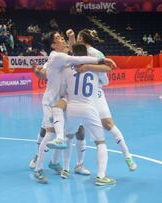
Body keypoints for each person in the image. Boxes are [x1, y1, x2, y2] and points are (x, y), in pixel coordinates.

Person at [33, 31, 115, 183]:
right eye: (58, 38)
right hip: (51, 101)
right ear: (53, 45)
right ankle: (38, 168)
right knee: (50, 133)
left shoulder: (63, 57)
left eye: (61, 36)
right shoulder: (57, 56)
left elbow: (74, 53)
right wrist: (103, 59)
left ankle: (56, 162)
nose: (61, 38)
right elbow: (77, 58)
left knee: (66, 134)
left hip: (63, 99)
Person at [75, 29, 137, 171]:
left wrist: (90, 69)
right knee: (80, 130)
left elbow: (106, 75)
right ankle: (79, 164)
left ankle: (127, 155)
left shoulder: (96, 54)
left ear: (83, 39)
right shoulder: (75, 53)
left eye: (78, 36)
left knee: (108, 124)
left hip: (95, 94)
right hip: (80, 96)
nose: (77, 39)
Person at [61, 43, 115, 185]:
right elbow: (109, 68)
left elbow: (63, 90)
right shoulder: (95, 69)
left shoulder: (67, 69)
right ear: (87, 55)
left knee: (68, 137)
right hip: (89, 108)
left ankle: (65, 168)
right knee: (100, 142)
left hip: (72, 107)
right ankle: (101, 176)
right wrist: (92, 64)